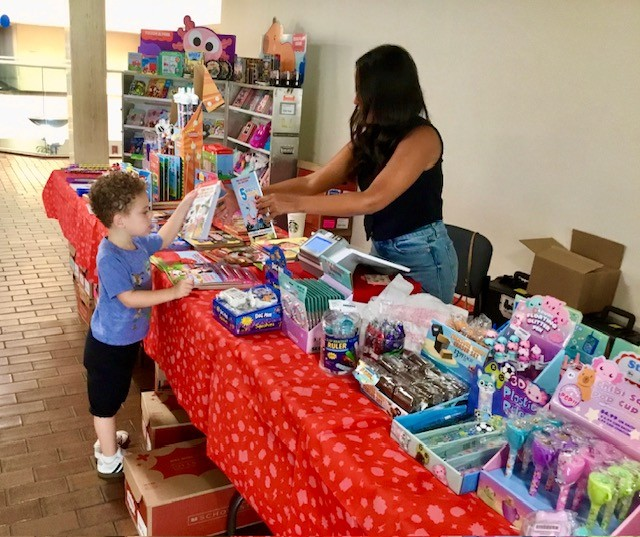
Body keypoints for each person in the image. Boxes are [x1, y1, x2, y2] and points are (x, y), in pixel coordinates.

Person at [256, 44, 458, 303]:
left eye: (361, 91)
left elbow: (371, 200)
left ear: (385, 94)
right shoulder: (372, 136)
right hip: (382, 249)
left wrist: (292, 204)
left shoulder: (422, 138)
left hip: (423, 255)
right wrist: (256, 193)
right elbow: (312, 182)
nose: (356, 100)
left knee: (421, 334)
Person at [84, 170, 196, 479]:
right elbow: (129, 298)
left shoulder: (137, 244)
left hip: (123, 341)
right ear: (120, 219)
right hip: (107, 346)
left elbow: (166, 236)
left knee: (115, 395)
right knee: (104, 405)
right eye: (144, 211)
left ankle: (106, 442)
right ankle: (108, 459)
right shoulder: (110, 256)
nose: (151, 215)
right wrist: (171, 293)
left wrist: (186, 203)